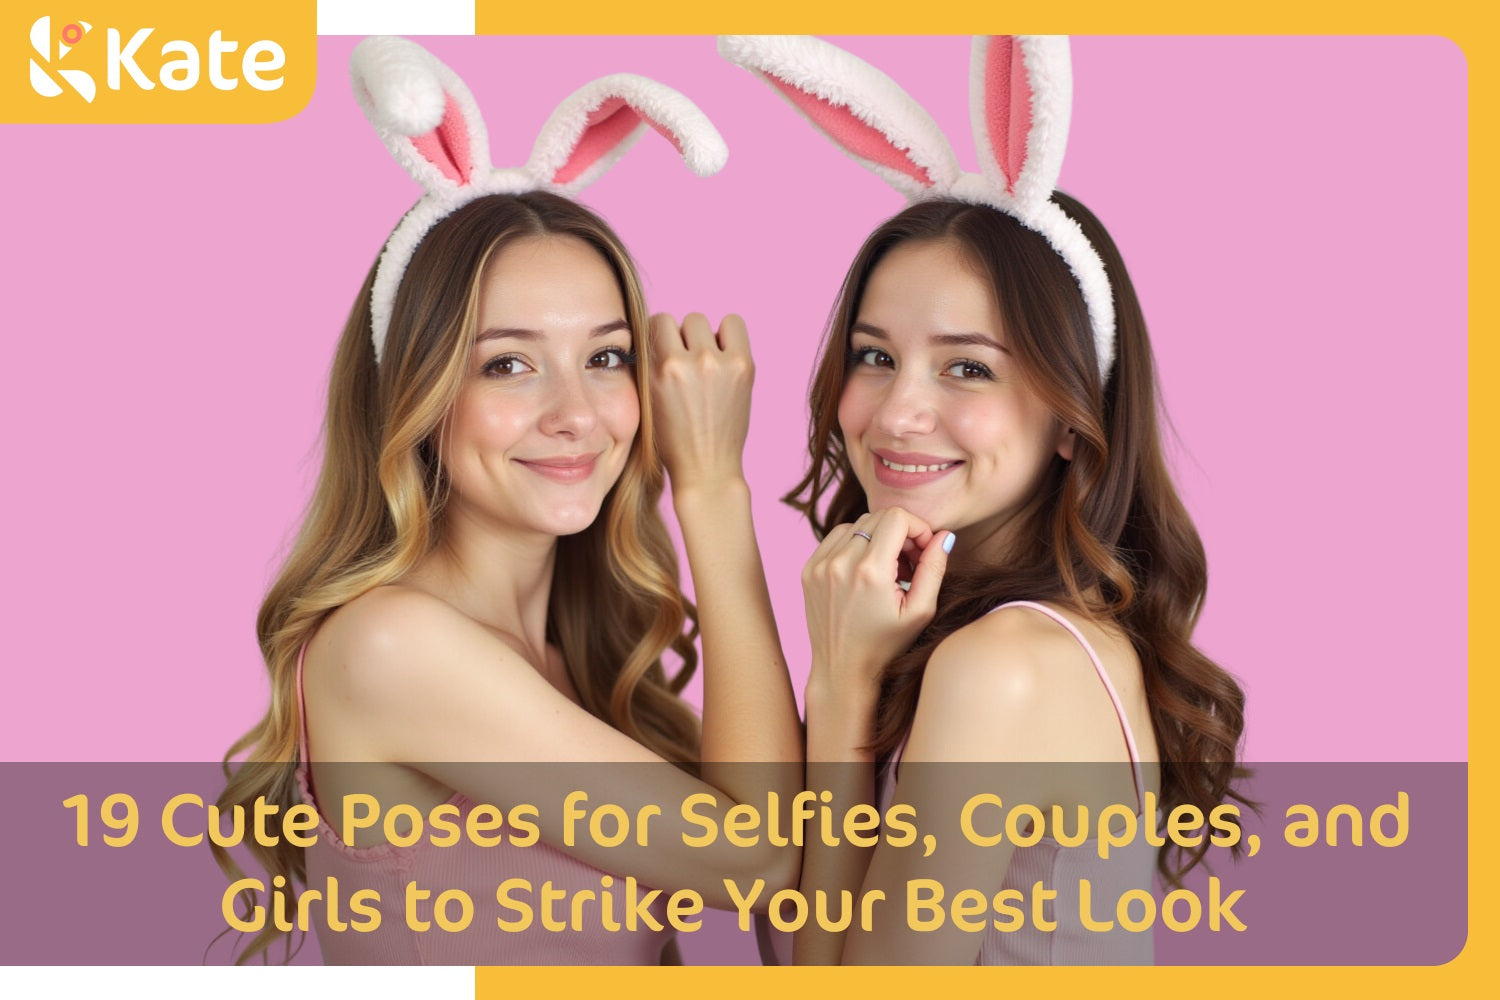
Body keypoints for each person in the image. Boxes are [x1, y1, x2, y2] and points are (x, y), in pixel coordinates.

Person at [215, 38, 799, 965]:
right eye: (509, 364)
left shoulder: (577, 659)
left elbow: (794, 891)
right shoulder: (390, 646)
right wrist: (714, 486)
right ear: (417, 397)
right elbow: (760, 862)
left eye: (605, 358)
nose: (574, 415)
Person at [722, 35, 1246, 964]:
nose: (897, 411)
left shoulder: (1004, 663)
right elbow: (802, 944)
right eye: (875, 356)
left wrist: (840, 686)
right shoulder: (979, 636)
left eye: (968, 368)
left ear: (1073, 416)